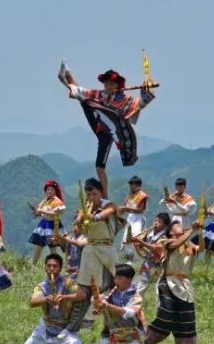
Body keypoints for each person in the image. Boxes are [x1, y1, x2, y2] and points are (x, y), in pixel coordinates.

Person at [58, 62, 156, 193]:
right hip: (97, 124)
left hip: (109, 132)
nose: (107, 86)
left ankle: (105, 196)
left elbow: (140, 104)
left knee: (99, 167)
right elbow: (81, 91)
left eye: (110, 83)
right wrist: (66, 81)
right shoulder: (99, 95)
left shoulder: (123, 98)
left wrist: (147, 92)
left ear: (116, 84)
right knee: (83, 98)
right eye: (106, 83)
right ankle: (67, 72)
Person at [0, 253, 91, 344]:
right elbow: (32, 302)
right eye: (49, 266)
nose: (52, 269)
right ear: (45, 268)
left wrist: (64, 297)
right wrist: (46, 298)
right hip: (46, 329)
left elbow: (82, 295)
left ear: (60, 268)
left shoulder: (68, 282)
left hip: (66, 330)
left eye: (55, 266)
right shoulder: (41, 286)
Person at [145, 220, 201, 344]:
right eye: (177, 225)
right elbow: (175, 245)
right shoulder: (165, 241)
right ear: (170, 231)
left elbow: (201, 248)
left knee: (186, 319)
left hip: (184, 285)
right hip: (168, 282)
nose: (181, 225)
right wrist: (192, 229)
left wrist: (200, 233)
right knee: (166, 314)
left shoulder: (189, 245)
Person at [70, 178, 119, 329]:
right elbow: (77, 230)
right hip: (90, 248)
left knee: (117, 281)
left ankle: (116, 320)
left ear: (101, 194)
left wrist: (94, 217)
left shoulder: (108, 205)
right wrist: (79, 220)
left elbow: (109, 212)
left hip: (107, 248)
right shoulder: (84, 209)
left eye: (94, 194)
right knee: (86, 285)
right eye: (88, 195)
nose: (91, 198)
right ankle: (82, 322)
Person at [29, 180, 66, 265]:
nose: (49, 191)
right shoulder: (45, 200)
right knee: (38, 245)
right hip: (44, 224)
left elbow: (55, 213)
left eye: (51, 189)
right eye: (48, 189)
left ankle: (55, 264)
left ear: (55, 191)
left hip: (53, 225)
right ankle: (33, 264)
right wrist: (36, 212)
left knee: (52, 247)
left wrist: (42, 211)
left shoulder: (57, 201)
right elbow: (40, 211)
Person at [131, 213, 170, 294]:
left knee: (158, 287)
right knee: (140, 283)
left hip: (159, 265)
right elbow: (143, 244)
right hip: (147, 263)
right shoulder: (149, 233)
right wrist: (138, 243)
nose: (156, 223)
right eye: (155, 221)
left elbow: (156, 248)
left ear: (165, 226)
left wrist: (141, 243)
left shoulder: (164, 236)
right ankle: (134, 299)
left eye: (159, 222)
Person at [118, 176, 149, 261]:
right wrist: (120, 210)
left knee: (136, 238)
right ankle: (129, 259)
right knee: (127, 238)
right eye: (130, 185)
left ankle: (141, 258)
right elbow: (124, 206)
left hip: (138, 219)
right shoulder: (130, 195)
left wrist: (126, 208)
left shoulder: (142, 196)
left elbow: (141, 209)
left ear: (138, 185)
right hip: (130, 219)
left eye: (132, 185)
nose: (131, 186)